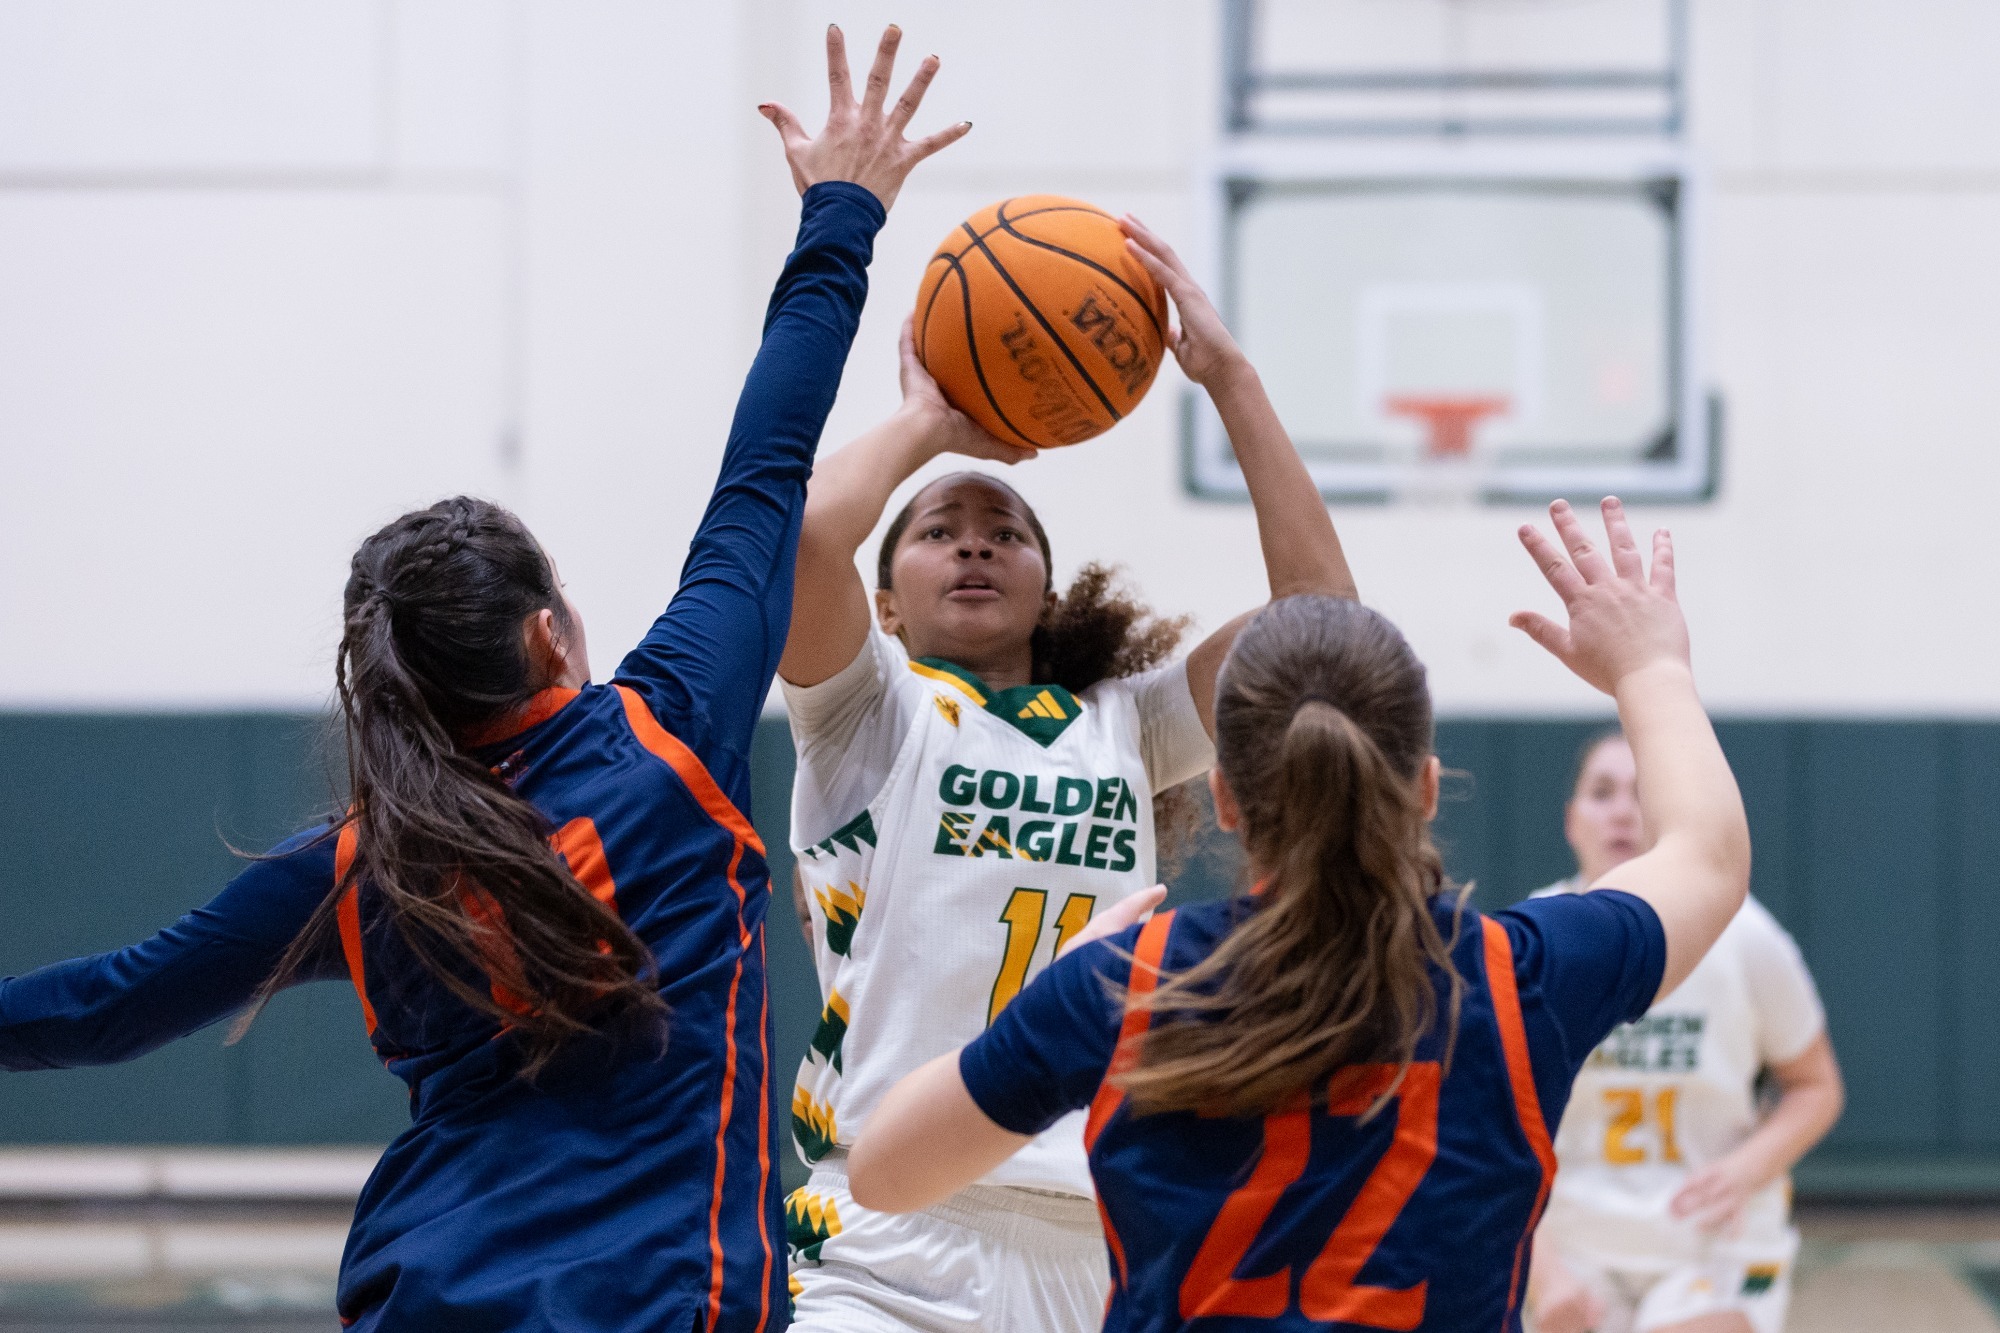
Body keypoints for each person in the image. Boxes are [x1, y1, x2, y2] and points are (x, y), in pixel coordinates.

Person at [0, 26, 963, 1331]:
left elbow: (107, 1008)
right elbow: (768, 458)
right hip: (655, 1304)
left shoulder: (357, 864)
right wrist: (840, 211)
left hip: (424, 1292)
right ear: (549, 636)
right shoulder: (668, 737)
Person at [845, 497, 1755, 1333]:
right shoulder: (1520, 980)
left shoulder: (1129, 984)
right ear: (1426, 786)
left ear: (1224, 799)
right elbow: (1709, 856)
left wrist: (1053, 985)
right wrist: (1651, 668)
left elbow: (884, 1171)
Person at [774, 218, 1355, 1329]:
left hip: (1094, 1239)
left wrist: (1231, 382)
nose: (975, 543)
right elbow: (799, 544)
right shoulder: (868, 711)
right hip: (885, 1231)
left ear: (1045, 586)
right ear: (884, 603)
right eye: (939, 530)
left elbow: (1323, 626)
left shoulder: (1126, 725)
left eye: (1005, 532)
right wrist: (929, 424)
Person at [1526, 732, 1844, 1333]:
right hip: (1573, 1242)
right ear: (1572, 821)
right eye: (1603, 793)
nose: (1623, 811)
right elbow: (1491, 1125)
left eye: (1643, 793)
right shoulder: (1533, 942)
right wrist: (1542, 1272)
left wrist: (1748, 1168)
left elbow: (1816, 1087)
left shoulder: (1745, 936)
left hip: (1712, 1238)